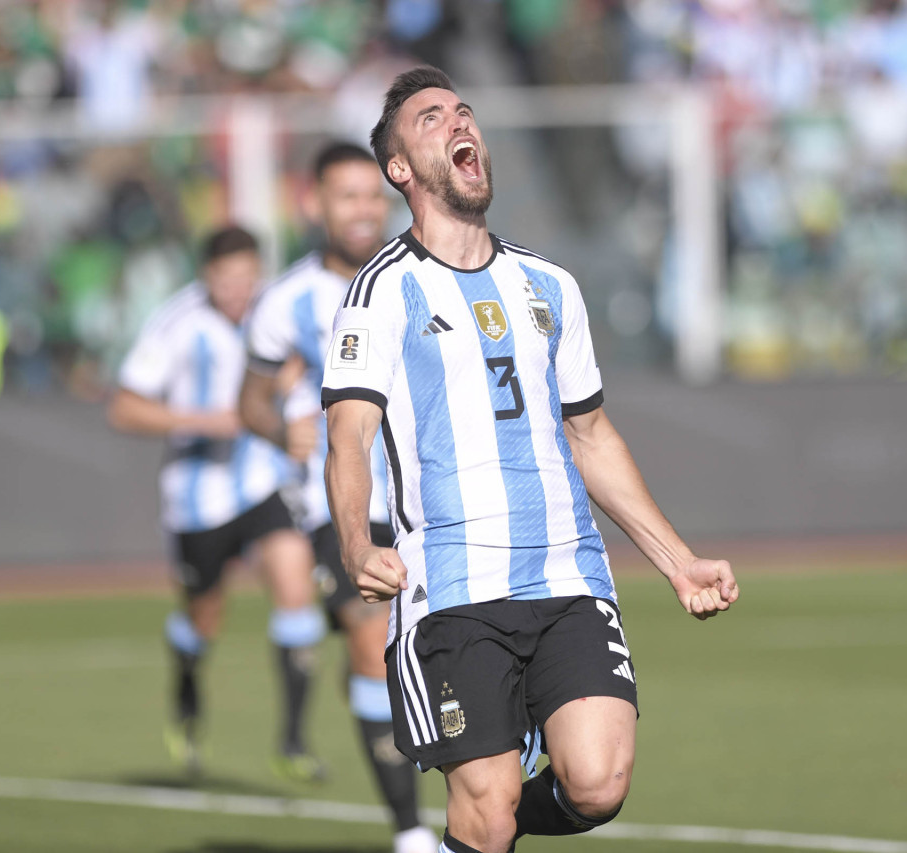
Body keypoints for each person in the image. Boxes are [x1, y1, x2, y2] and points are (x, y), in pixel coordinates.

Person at [321, 67, 740, 853]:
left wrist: (677, 560)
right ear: (400, 169)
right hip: (451, 590)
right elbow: (347, 438)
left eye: (463, 111)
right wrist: (353, 541)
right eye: (431, 118)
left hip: (566, 576)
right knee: (487, 808)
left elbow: (592, 437)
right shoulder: (380, 292)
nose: (458, 121)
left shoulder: (550, 285)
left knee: (599, 781)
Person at [239, 143, 438, 853]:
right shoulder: (286, 301)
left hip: (432, 498)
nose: (360, 208)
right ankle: (411, 830)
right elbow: (252, 401)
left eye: (368, 194)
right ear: (315, 205)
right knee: (368, 636)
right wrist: (278, 426)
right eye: (344, 196)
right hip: (340, 505)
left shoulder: (422, 278)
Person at [108, 225, 327, 781]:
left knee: (295, 588)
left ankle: (294, 739)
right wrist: (207, 420)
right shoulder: (175, 323)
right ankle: (186, 688)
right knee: (204, 618)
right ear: (206, 276)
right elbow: (125, 408)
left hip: (262, 481)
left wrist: (293, 408)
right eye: (227, 279)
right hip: (197, 497)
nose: (238, 290)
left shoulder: (274, 312)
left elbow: (298, 372)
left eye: (247, 277)